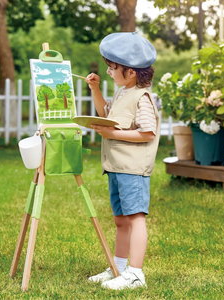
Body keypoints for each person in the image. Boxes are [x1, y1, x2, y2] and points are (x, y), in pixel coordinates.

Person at [85, 32, 160, 290]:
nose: (108, 72)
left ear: (130, 73)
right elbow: (104, 112)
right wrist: (95, 90)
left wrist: (112, 133)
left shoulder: (142, 98)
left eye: (112, 68)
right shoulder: (122, 92)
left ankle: (136, 274)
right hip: (116, 168)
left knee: (135, 217)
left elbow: (147, 133)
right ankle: (118, 267)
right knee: (120, 220)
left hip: (133, 169)